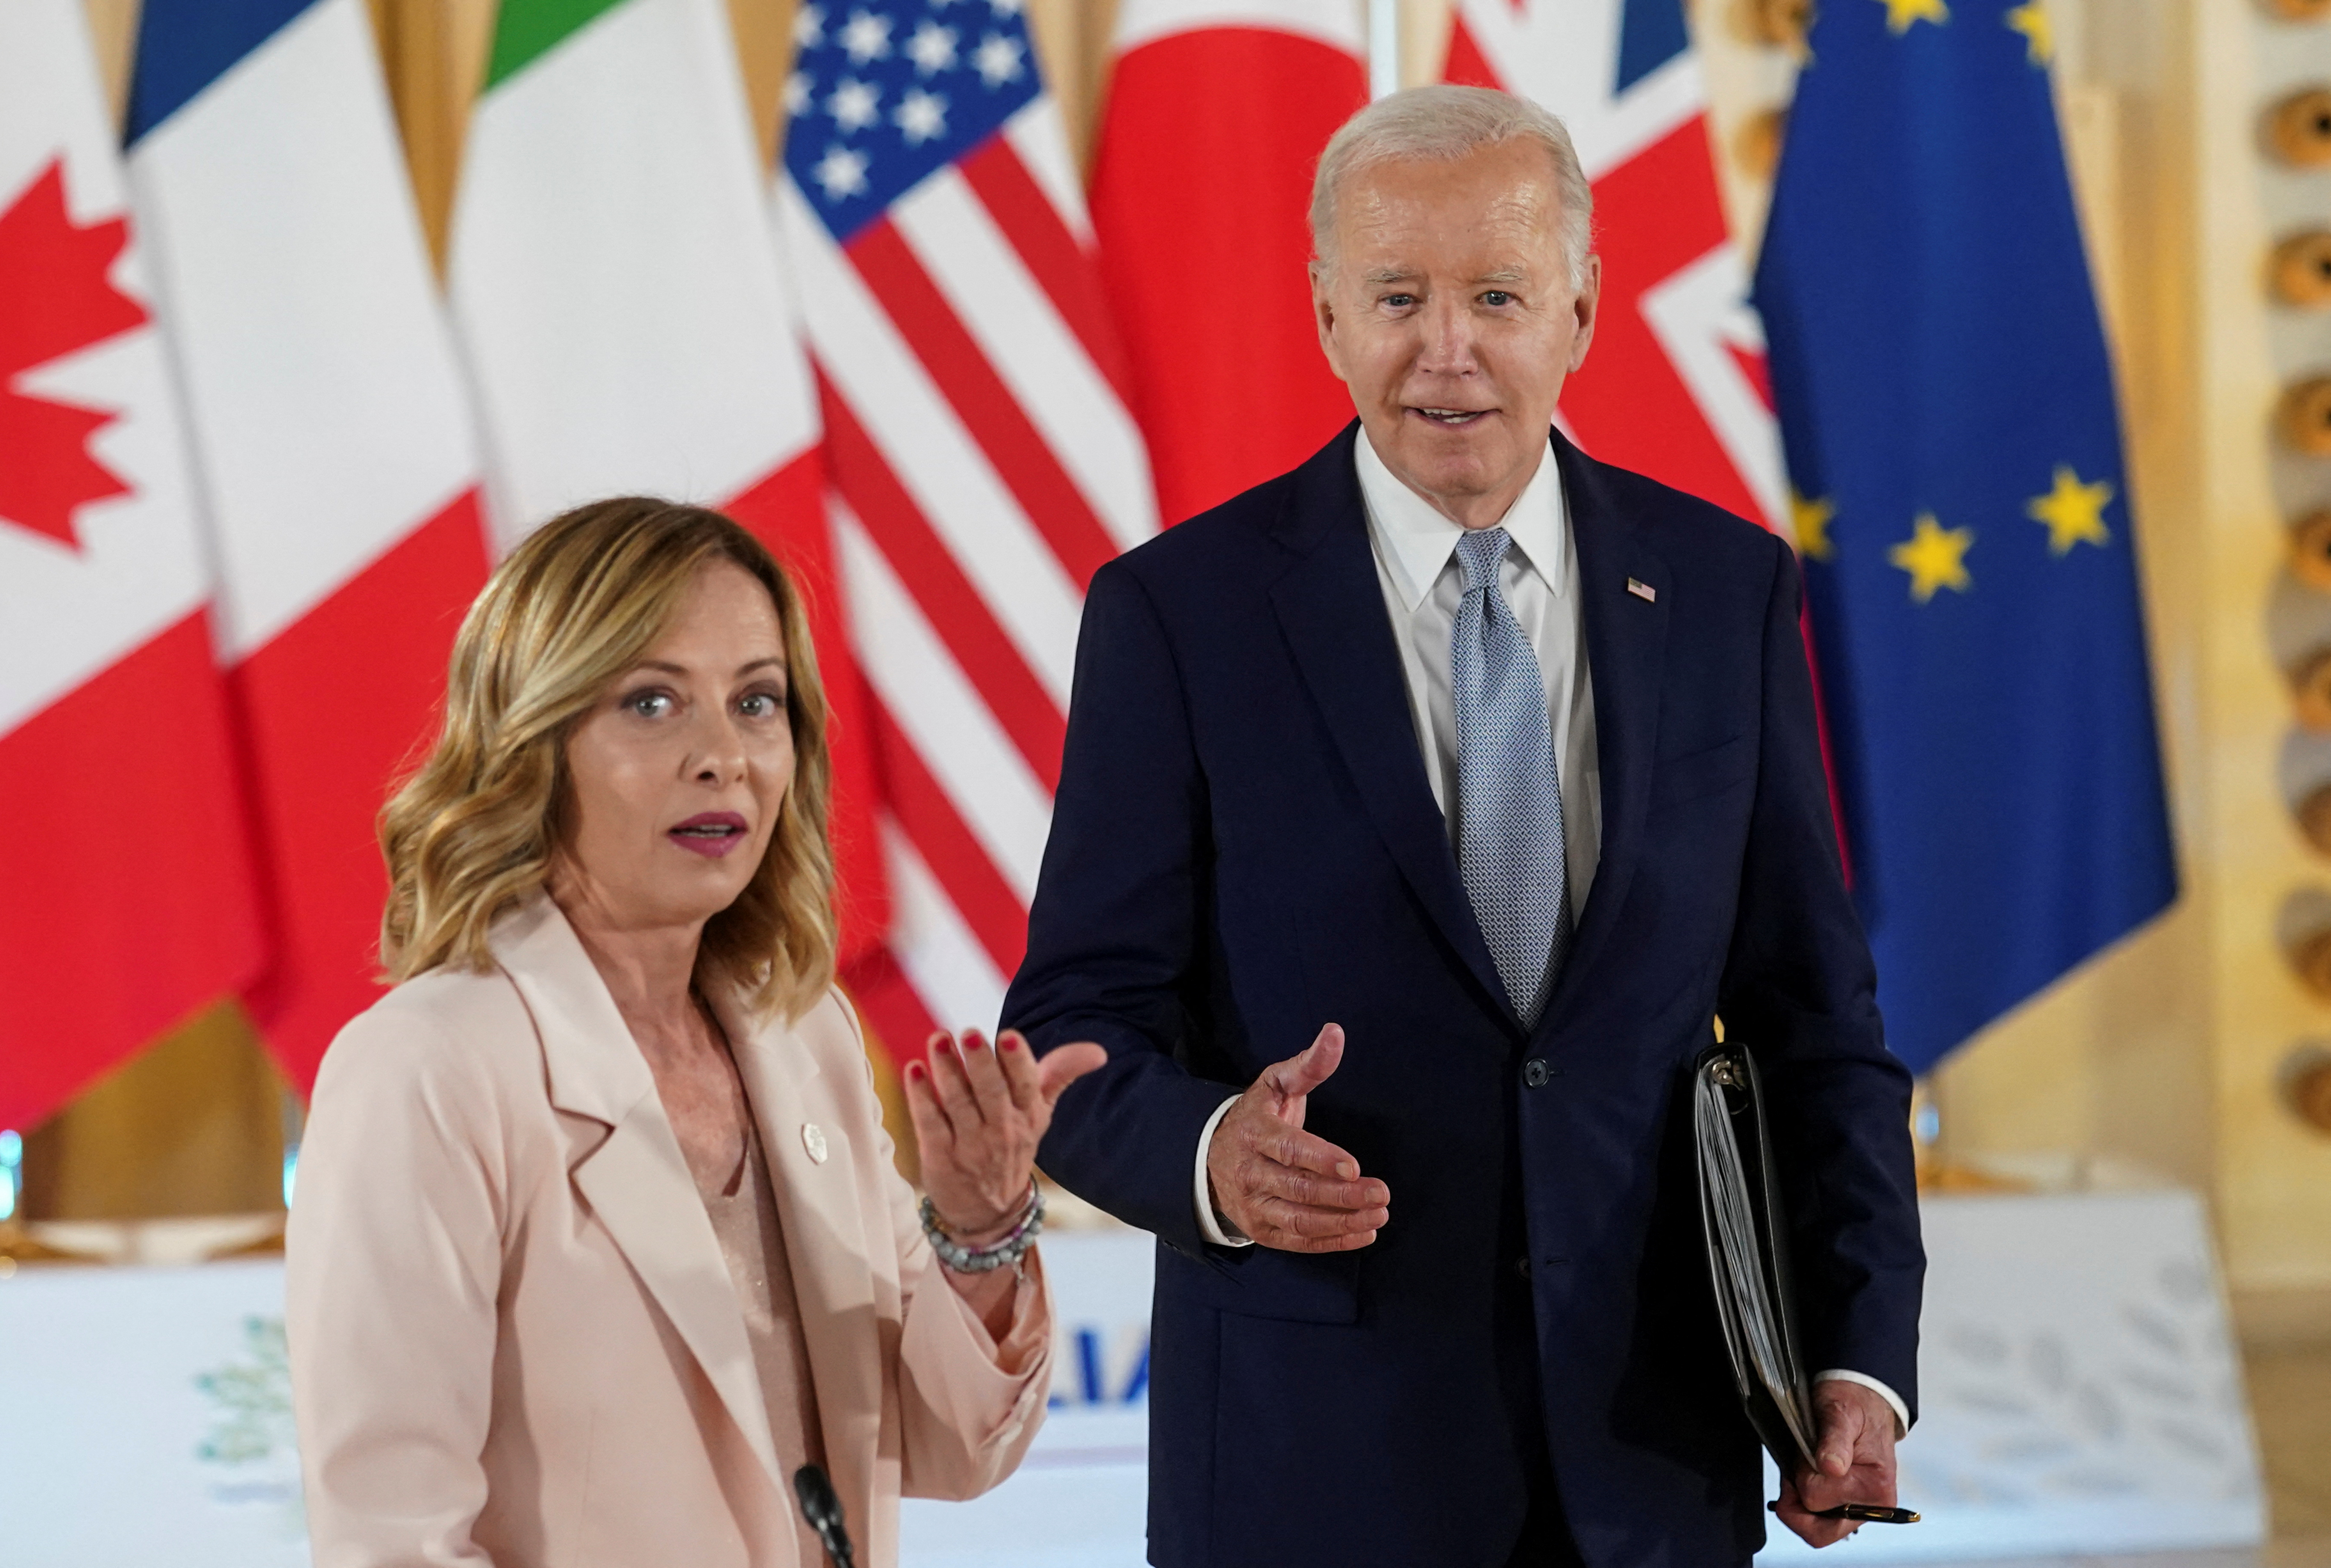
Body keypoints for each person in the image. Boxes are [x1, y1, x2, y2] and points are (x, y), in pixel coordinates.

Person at [1003, 85, 1923, 1567]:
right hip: (1312, 1475)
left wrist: (1857, 1358)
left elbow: (1815, 1021)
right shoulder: (1182, 616)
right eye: (1396, 297)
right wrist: (1211, 1157)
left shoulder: (1724, 591)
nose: (1448, 350)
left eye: (1497, 294)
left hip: (1652, 1466)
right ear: (1323, 317)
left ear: (1582, 307)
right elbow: (1075, 1019)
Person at [288, 499, 1105, 1568]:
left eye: (755, 701)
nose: (722, 755)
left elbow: (952, 1448)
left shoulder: (801, 1034)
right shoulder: (428, 1066)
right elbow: (389, 1539)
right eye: (651, 701)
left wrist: (983, 1221)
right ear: (534, 738)